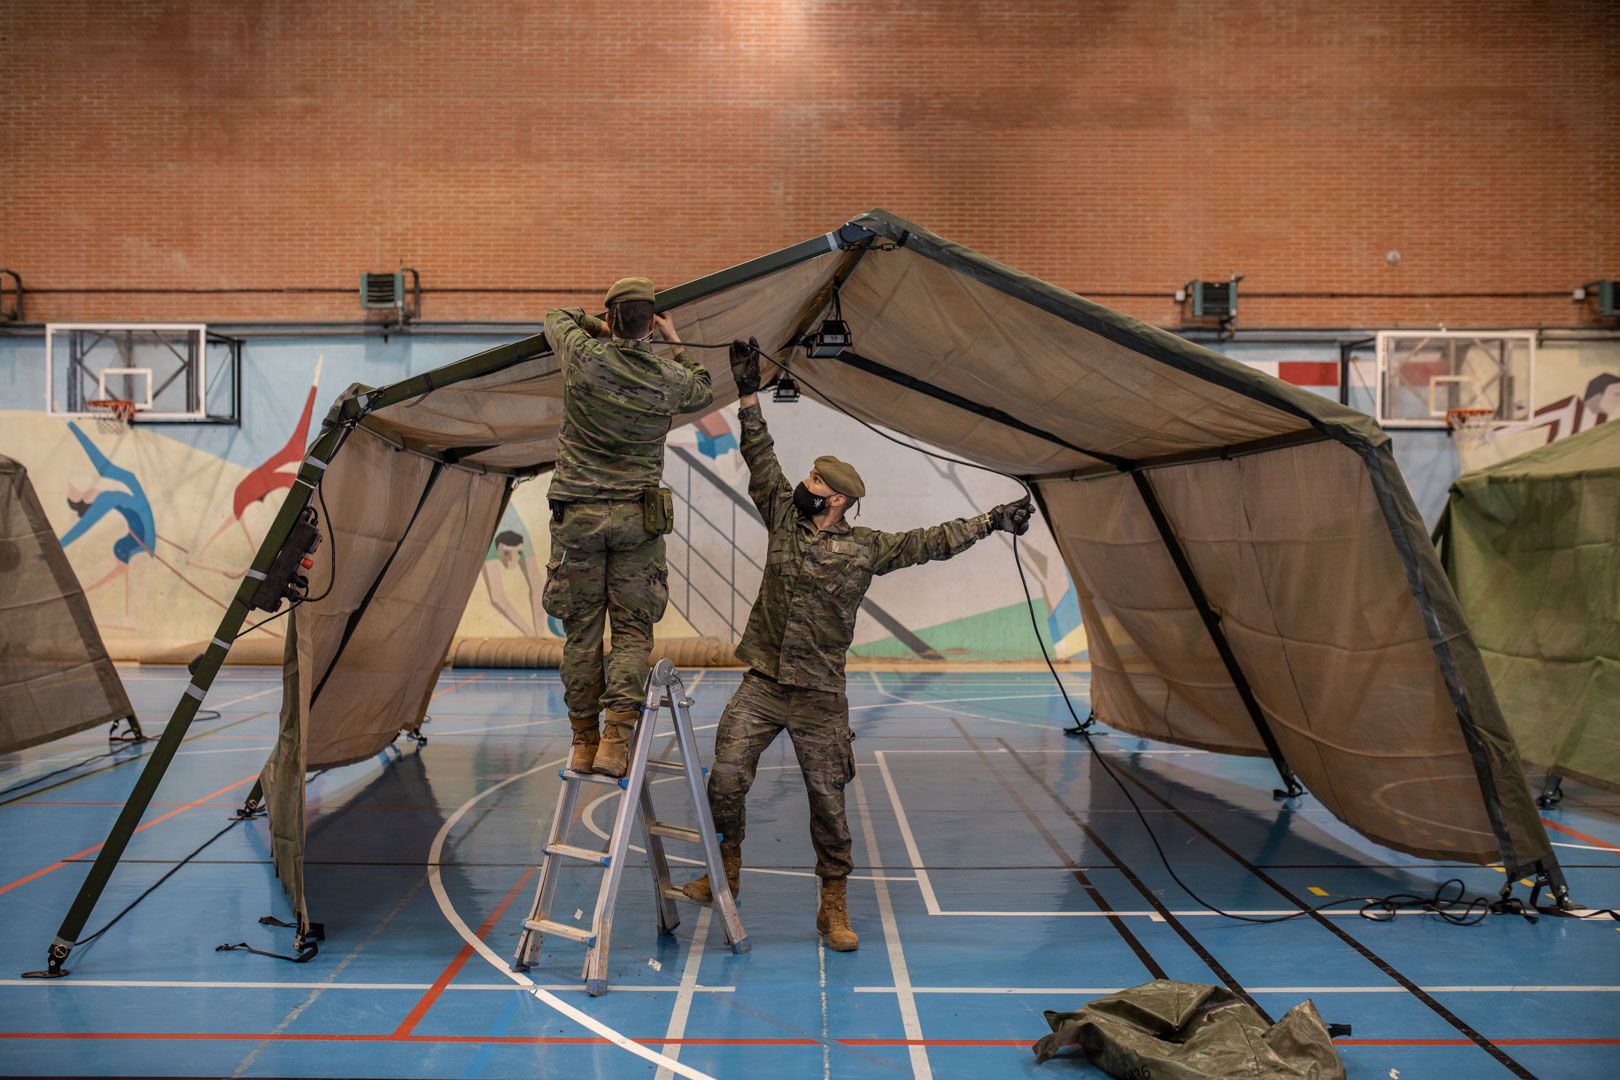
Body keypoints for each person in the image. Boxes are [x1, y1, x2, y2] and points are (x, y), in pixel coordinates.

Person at [681, 340, 1033, 952]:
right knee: (727, 779)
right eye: (811, 474)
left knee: (828, 804)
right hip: (763, 683)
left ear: (836, 500)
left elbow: (932, 541)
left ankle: (833, 907)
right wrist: (746, 394)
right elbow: (759, 457)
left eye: (817, 481)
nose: (806, 482)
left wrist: (990, 521)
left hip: (820, 696)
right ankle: (725, 873)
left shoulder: (867, 547)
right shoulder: (783, 518)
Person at [542, 278, 715, 777]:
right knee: (634, 633)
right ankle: (616, 743)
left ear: (611, 318)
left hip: (578, 517)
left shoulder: (583, 355)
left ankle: (582, 740)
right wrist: (673, 341)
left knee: (580, 634)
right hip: (637, 520)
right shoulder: (667, 376)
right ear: (650, 323)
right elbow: (702, 386)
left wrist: (599, 325)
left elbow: (556, 315)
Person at [59, 421, 157, 632]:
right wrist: (55, 546)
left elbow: (93, 453)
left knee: (128, 617)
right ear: (86, 499)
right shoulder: (106, 497)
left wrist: (70, 424)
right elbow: (83, 527)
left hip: (139, 550)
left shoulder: (112, 476)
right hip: (132, 546)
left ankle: (87, 620)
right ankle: (76, 618)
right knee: (82, 584)